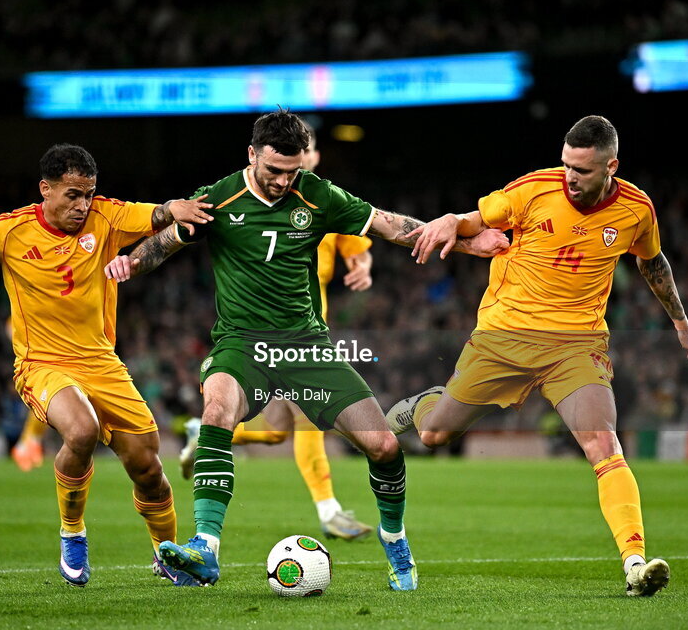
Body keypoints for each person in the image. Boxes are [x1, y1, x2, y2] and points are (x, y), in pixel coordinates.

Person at [105, 108, 509, 590]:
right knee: (217, 410)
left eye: (292, 172)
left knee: (383, 446)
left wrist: (465, 244)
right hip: (241, 344)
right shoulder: (218, 198)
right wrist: (129, 263)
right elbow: (165, 242)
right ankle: (205, 549)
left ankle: (394, 538)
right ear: (251, 155)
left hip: (305, 347)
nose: (281, 182)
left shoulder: (317, 194)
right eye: (273, 170)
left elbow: (389, 226)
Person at [0, 144, 213, 588]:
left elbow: (157, 216)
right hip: (42, 363)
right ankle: (73, 532)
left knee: (148, 466)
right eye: (72, 194)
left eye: (88, 194)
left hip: (102, 362)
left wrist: (175, 208)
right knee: (82, 430)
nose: (81, 205)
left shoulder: (106, 216)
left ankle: (168, 557)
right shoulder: (8, 232)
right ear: (45, 190)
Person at [387, 115, 688, 597]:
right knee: (433, 434)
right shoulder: (534, 189)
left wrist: (679, 320)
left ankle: (635, 563)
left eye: (583, 169)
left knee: (603, 444)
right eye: (567, 164)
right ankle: (429, 400)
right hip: (504, 335)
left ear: (611, 166)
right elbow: (475, 222)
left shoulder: (637, 210)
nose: (571, 176)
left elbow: (651, 260)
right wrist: (455, 222)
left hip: (576, 344)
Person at [178, 123, 376, 541]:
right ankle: (328, 509)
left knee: (280, 430)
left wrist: (361, 266)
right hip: (261, 330)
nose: (291, 174)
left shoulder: (321, 199)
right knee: (307, 419)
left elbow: (357, 244)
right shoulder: (249, 198)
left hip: (306, 327)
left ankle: (211, 436)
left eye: (303, 161)